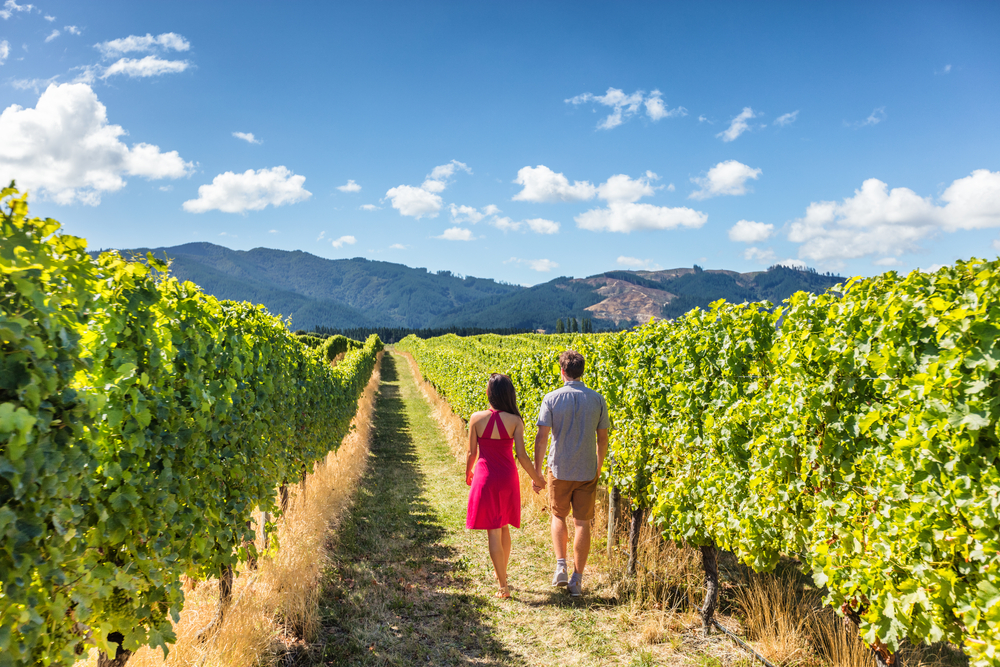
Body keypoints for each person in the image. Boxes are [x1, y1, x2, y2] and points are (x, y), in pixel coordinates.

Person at [533, 350, 610, 597]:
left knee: (558, 516)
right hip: (587, 468)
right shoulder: (598, 399)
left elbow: (542, 437)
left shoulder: (552, 398)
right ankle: (577, 580)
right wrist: (598, 466)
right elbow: (603, 438)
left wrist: (537, 472)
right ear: (582, 371)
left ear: (562, 371)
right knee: (582, 523)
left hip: (559, 468)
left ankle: (560, 568)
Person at [466, 373, 547, 599]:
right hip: (507, 478)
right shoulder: (515, 421)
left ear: (488, 393)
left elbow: (472, 452)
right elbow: (522, 456)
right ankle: (502, 572)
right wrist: (538, 478)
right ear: (509, 394)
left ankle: (502, 585)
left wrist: (468, 473)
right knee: (503, 527)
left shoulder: (476, 418)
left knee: (493, 530)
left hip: (485, 477)